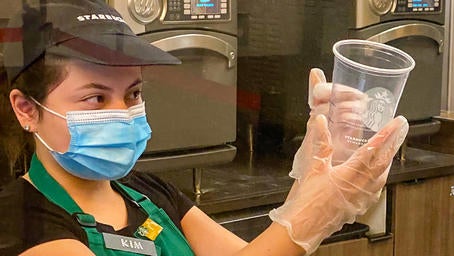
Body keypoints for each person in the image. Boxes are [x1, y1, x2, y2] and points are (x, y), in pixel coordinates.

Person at [0, 0, 409, 255]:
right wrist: (312, 215)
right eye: (95, 98)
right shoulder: (21, 223)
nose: (123, 113)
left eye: (134, 94)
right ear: (26, 109)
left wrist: (317, 177)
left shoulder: (149, 194)